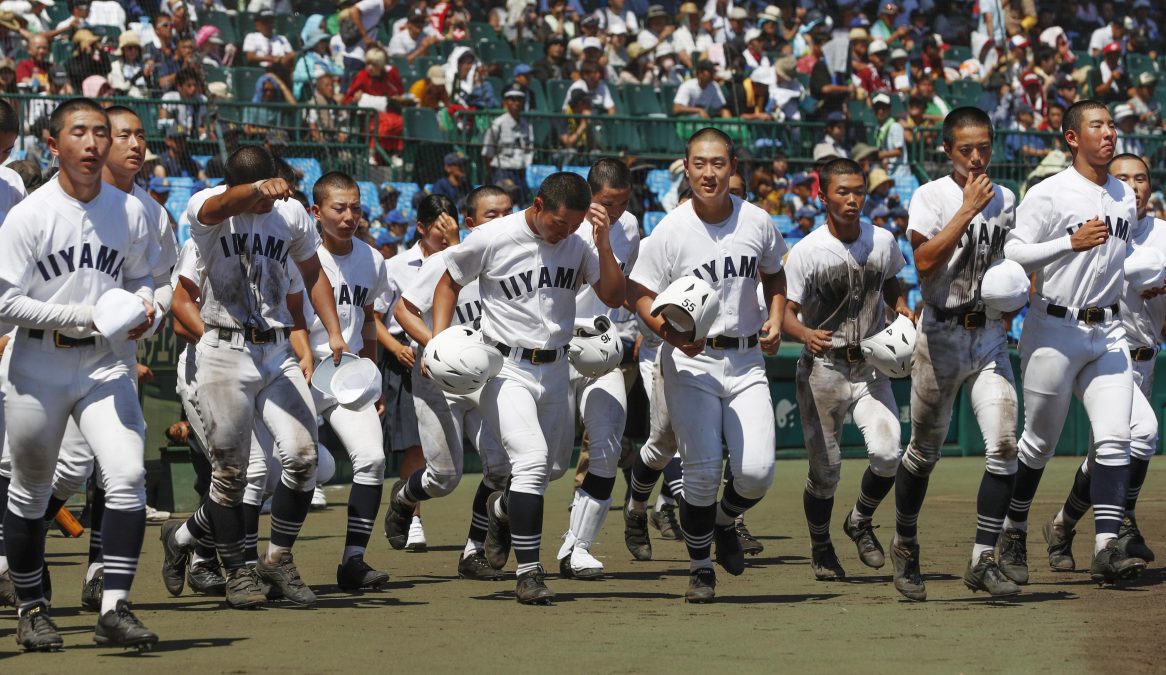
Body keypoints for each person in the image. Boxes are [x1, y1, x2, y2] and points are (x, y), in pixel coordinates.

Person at [0, 98, 161, 650]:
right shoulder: (31, 215)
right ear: (54, 144)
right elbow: (4, 305)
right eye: (79, 133)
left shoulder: (132, 211)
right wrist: (86, 316)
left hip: (105, 363)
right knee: (28, 492)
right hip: (38, 363)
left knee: (127, 476)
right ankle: (30, 606)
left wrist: (147, 308)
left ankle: (114, 604)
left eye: (100, 132)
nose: (92, 144)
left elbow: (145, 279)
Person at [159, 145, 348, 610]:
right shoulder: (209, 206)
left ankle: (278, 560)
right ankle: (235, 572)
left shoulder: (289, 215)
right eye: (262, 194)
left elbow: (313, 272)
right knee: (231, 474)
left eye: (270, 192)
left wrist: (336, 331)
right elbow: (216, 207)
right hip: (222, 348)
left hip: (276, 347)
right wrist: (254, 191)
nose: (268, 203)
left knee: (303, 457)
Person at [434, 172, 625, 604]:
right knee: (532, 462)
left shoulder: (579, 242)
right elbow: (448, 281)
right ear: (538, 205)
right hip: (505, 367)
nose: (567, 231)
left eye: (575, 224)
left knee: (551, 471)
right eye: (560, 223)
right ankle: (529, 572)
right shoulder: (493, 237)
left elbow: (613, 296)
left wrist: (603, 241)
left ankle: (501, 510)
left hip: (557, 368)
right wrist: (437, 340)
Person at [627, 128, 786, 602]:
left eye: (718, 163)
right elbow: (640, 294)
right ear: (686, 166)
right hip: (691, 361)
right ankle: (700, 568)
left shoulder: (756, 220)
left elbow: (776, 274)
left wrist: (776, 319)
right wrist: (671, 336)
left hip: (745, 358)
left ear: (732, 166)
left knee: (757, 472)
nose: (709, 172)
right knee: (700, 471)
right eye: (699, 163)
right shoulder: (670, 230)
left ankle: (721, 524)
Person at [998, 100, 1144, 588]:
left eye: (1111, 126)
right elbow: (1014, 251)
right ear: (1071, 138)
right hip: (1055, 327)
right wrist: (1068, 243)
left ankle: (1106, 547)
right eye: (1096, 126)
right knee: (1038, 444)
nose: (1108, 133)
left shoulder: (1125, 194)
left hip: (1109, 331)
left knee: (1116, 437)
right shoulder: (1049, 192)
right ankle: (1014, 529)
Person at [894, 107, 1021, 601]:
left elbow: (1014, 262)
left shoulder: (1007, 198)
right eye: (965, 148)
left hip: (988, 333)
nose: (976, 157)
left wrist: (1015, 299)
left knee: (1005, 445)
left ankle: (982, 558)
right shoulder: (931, 196)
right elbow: (924, 265)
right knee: (923, 453)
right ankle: (905, 544)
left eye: (984, 147)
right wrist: (966, 209)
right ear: (946, 149)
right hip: (940, 333)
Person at [780, 157, 913, 583]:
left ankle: (859, 520)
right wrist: (802, 333)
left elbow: (892, 279)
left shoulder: (882, 239)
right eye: (843, 191)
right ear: (823, 197)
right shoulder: (806, 251)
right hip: (824, 369)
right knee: (825, 471)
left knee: (889, 453)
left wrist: (902, 306)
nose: (853, 199)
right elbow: (786, 313)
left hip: (872, 364)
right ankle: (821, 545)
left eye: (859, 191)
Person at [1042, 152, 1163, 577]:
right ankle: (1118, 531)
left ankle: (1061, 527)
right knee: (1142, 435)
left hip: (1146, 361)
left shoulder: (1162, 235)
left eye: (1142, 177)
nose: (1134, 185)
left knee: (1103, 459)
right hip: (1104, 355)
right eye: (1123, 177)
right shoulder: (1099, 230)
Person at [387, 185, 512, 581]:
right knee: (444, 478)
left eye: (509, 211)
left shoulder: (514, 260)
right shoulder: (445, 259)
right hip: (437, 379)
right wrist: (435, 345)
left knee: (502, 467)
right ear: (471, 222)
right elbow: (402, 311)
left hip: (483, 377)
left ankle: (473, 552)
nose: (504, 219)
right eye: (493, 214)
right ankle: (405, 498)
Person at [301, 172, 394, 591]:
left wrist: (373, 377)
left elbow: (370, 322)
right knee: (274, 470)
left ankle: (353, 561)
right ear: (315, 212)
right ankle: (215, 548)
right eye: (339, 208)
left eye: (355, 207)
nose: (349, 216)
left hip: (349, 376)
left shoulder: (372, 259)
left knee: (372, 460)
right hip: (300, 371)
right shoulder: (297, 256)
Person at [556, 159, 640, 579]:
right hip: (553, 349)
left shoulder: (630, 230)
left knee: (606, 445)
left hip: (601, 348)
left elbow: (620, 291)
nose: (617, 210)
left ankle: (578, 548)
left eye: (624, 201)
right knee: (550, 464)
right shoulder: (563, 225)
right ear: (590, 195)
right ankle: (499, 513)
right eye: (609, 202)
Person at [378, 194, 460, 553]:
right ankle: (412, 518)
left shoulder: (465, 257)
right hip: (410, 359)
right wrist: (396, 347)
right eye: (437, 229)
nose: (443, 236)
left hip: (458, 362)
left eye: (450, 227)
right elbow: (378, 317)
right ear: (421, 228)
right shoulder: (396, 266)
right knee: (415, 445)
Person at [481, 87, 533, 200]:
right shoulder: (498, 124)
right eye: (512, 99)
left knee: (524, 204)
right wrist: (494, 174)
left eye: (519, 99)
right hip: (502, 171)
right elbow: (488, 153)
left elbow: (529, 149)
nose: (516, 103)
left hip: (521, 172)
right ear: (505, 102)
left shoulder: (527, 126)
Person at [242, 9, 295, 81]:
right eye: (266, 22)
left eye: (271, 22)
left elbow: (291, 54)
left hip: (281, 69)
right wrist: (271, 58)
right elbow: (250, 56)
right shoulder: (252, 37)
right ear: (258, 25)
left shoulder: (282, 38)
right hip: (261, 69)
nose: (269, 25)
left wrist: (281, 59)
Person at [872, 92, 910, 181]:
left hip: (901, 175)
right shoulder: (878, 128)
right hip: (889, 174)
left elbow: (898, 151)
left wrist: (878, 155)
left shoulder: (895, 126)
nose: (880, 111)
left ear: (889, 110)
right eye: (877, 108)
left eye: (883, 108)